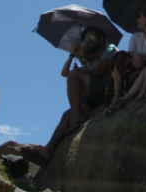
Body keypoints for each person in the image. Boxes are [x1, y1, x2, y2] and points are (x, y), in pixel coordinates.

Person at [25, 26, 116, 163]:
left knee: (75, 76)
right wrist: (73, 54)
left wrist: (84, 71)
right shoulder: (91, 59)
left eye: (91, 38)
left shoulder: (110, 48)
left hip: (106, 91)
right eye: (85, 40)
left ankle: (76, 115)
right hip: (93, 97)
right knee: (67, 115)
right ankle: (47, 151)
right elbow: (64, 73)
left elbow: (97, 72)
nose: (88, 42)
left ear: (101, 38)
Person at [104, 6, 146, 112]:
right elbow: (128, 55)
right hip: (132, 73)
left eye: (139, 16)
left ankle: (131, 95)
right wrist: (135, 54)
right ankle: (117, 93)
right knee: (120, 55)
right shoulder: (136, 36)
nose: (137, 20)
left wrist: (140, 71)